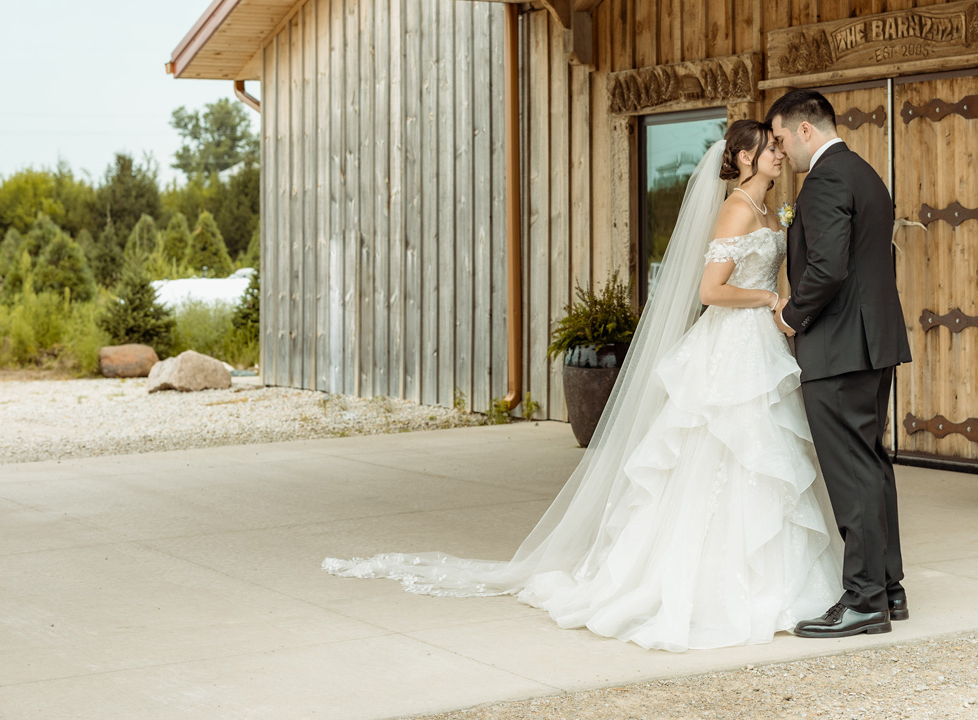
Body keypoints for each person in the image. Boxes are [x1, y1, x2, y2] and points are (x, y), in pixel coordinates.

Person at [323, 121, 842, 652]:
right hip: (731, 345)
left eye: (779, 146)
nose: (779, 153)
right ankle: (709, 585)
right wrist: (766, 302)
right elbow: (711, 290)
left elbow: (764, 275)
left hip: (759, 346)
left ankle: (773, 579)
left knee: (760, 452)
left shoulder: (767, 211)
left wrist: (782, 309)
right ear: (743, 158)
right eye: (769, 148)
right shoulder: (734, 209)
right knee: (721, 448)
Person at [767, 89, 912, 639]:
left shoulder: (825, 179)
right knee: (871, 465)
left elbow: (826, 268)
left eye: (781, 138)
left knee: (851, 471)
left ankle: (864, 601)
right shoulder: (865, 172)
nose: (782, 151)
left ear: (806, 130)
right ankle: (889, 588)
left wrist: (792, 316)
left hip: (838, 347)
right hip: (872, 343)